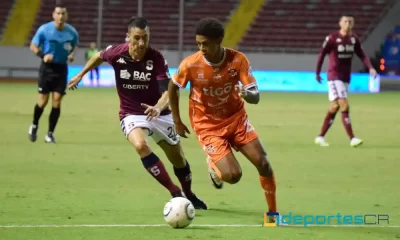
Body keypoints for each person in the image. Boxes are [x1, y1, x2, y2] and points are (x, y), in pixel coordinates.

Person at [67, 17, 207, 209]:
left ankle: (189, 193)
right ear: (128, 37)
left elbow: (168, 91)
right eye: (137, 38)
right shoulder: (117, 53)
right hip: (131, 112)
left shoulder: (156, 58)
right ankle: (175, 192)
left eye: (145, 38)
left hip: (160, 112)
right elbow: (98, 56)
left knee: (178, 158)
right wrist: (80, 74)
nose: (141, 43)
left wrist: (157, 107)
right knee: (141, 145)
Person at [168, 18, 279, 222]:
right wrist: (177, 120)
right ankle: (213, 163)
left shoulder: (238, 60)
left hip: (236, 119)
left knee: (263, 163)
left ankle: (272, 214)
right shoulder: (191, 64)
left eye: (206, 44)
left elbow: (255, 95)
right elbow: (173, 86)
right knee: (233, 176)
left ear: (219, 40)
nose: (202, 48)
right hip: (207, 125)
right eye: (198, 43)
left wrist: (247, 94)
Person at [315, 14, 377, 147]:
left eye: (350, 21)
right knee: (344, 104)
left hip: (345, 77)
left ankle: (320, 137)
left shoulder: (353, 39)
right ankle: (352, 138)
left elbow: (362, 54)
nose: (348, 23)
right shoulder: (332, 38)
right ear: (340, 23)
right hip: (334, 76)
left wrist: (371, 68)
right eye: (345, 21)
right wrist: (317, 72)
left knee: (335, 107)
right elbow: (322, 54)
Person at [28, 5, 79, 143]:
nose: (61, 16)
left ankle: (50, 134)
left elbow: (74, 47)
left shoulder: (72, 32)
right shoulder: (44, 29)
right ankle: (34, 125)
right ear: (53, 15)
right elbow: (33, 46)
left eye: (63, 13)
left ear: (66, 15)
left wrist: (71, 55)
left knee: (57, 101)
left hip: (61, 69)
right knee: (43, 101)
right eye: (58, 13)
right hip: (47, 69)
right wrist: (42, 55)